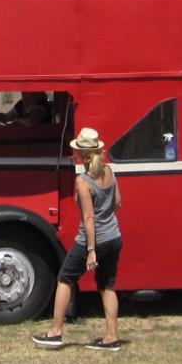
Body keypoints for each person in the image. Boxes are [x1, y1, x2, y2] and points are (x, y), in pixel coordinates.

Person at [33, 127, 124, 351]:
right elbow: (118, 203)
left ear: (81, 155)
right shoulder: (109, 172)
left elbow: (88, 217)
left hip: (91, 240)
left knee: (65, 278)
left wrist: (91, 250)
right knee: (107, 285)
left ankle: (55, 332)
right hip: (114, 236)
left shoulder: (83, 181)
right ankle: (112, 337)